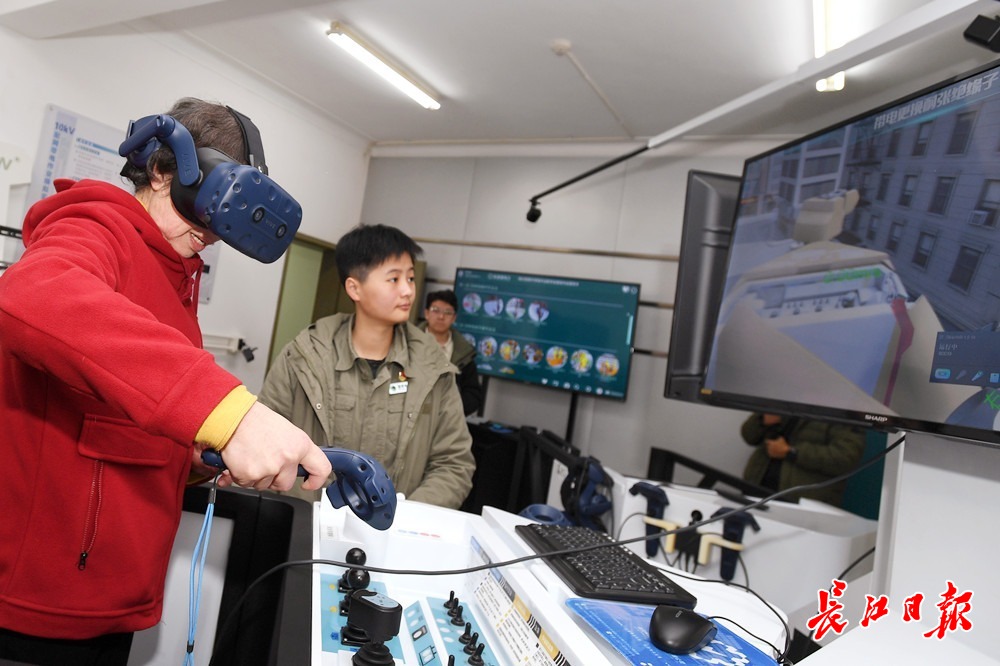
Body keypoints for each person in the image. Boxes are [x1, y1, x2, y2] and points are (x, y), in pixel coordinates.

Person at [0, 98, 331, 664]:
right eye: (209, 203)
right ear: (160, 171)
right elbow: (33, 294)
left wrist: (200, 456)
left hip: (111, 602)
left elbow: (124, 416)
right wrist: (231, 414)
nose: (213, 232)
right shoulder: (95, 228)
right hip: (39, 613)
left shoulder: (176, 278)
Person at [259, 224, 476, 509]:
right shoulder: (303, 357)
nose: (408, 290)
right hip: (304, 524)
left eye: (410, 278)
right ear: (355, 288)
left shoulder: (433, 368)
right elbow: (264, 441)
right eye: (394, 279)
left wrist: (401, 517)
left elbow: (454, 464)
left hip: (394, 531)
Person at [740, 412, 865, 507]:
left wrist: (792, 452)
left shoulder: (843, 409)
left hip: (803, 503)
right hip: (755, 489)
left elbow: (845, 458)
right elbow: (749, 436)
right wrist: (763, 421)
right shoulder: (786, 395)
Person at [419, 289, 484, 416]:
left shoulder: (464, 353)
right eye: (436, 310)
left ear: (454, 318)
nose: (441, 317)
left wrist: (450, 410)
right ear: (426, 313)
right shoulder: (407, 343)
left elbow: (473, 395)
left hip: (445, 422)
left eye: (447, 312)